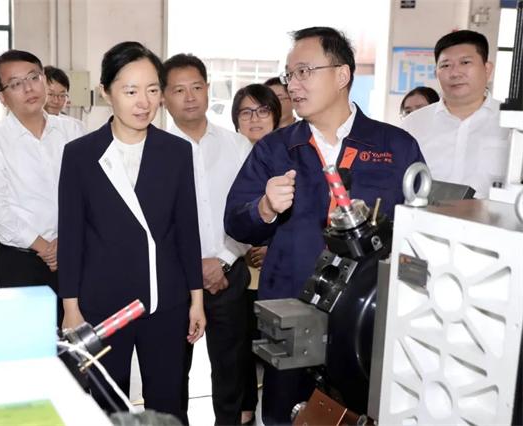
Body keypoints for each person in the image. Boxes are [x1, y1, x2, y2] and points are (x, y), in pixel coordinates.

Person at [224, 27, 424, 425]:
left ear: (342, 75)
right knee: (286, 413)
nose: (292, 85)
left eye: (304, 72)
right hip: (292, 314)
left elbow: (418, 235)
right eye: (289, 75)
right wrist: (264, 207)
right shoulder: (275, 148)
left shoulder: (395, 146)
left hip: (368, 320)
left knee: (365, 412)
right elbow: (236, 221)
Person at [57, 42, 205, 424]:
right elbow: (71, 237)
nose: (144, 102)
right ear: (106, 92)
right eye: (131, 91)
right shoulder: (80, 155)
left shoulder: (175, 151)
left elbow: (187, 230)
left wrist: (196, 299)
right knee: (109, 400)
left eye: (153, 89)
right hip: (104, 303)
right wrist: (71, 308)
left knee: (169, 399)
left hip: (165, 300)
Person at [162, 53, 252, 426]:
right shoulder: (152, 151)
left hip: (228, 275)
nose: (189, 97)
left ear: (208, 89)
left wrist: (224, 259)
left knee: (230, 367)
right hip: (171, 280)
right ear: (163, 97)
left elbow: (250, 211)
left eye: (196, 87)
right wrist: (190, 267)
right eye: (178, 90)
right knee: (171, 370)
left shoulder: (238, 146)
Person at [0, 50, 85, 300]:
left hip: (75, 252)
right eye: (15, 84)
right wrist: (44, 248)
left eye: (34, 77)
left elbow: (90, 191)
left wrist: (67, 242)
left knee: (78, 324)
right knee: (28, 326)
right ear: (2, 96)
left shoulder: (74, 131)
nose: (29, 88)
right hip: (21, 262)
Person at [402, 30, 509, 198]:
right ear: (436, 72)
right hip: (423, 214)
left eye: (465, 62)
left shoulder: (511, 123)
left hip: (492, 215)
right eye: (445, 65)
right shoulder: (413, 124)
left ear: (487, 69)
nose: (455, 73)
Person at [230, 83, 281, 425]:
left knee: (278, 345)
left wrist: (271, 246)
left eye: (263, 111)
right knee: (241, 344)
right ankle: (246, 406)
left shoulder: (288, 156)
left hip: (279, 269)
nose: (254, 119)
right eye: (246, 112)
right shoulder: (228, 157)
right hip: (238, 267)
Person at [43, 65, 87, 133]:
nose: (56, 101)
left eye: (62, 95)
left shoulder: (76, 127)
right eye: (51, 94)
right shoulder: (27, 126)